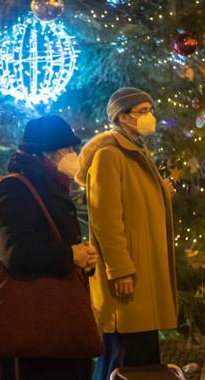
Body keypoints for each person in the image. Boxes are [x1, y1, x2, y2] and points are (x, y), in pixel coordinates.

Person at [76, 87, 177, 379]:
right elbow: (106, 220)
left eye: (149, 110)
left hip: (143, 272)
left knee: (140, 354)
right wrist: (120, 269)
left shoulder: (136, 151)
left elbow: (135, 204)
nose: (149, 117)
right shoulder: (109, 155)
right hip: (128, 275)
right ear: (121, 116)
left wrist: (161, 194)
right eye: (142, 111)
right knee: (124, 357)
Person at [0, 115, 98, 380]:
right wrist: (71, 255)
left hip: (62, 319)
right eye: (67, 150)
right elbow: (16, 253)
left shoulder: (55, 186)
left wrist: (83, 257)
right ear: (46, 154)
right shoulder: (15, 188)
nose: (73, 155)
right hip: (35, 324)